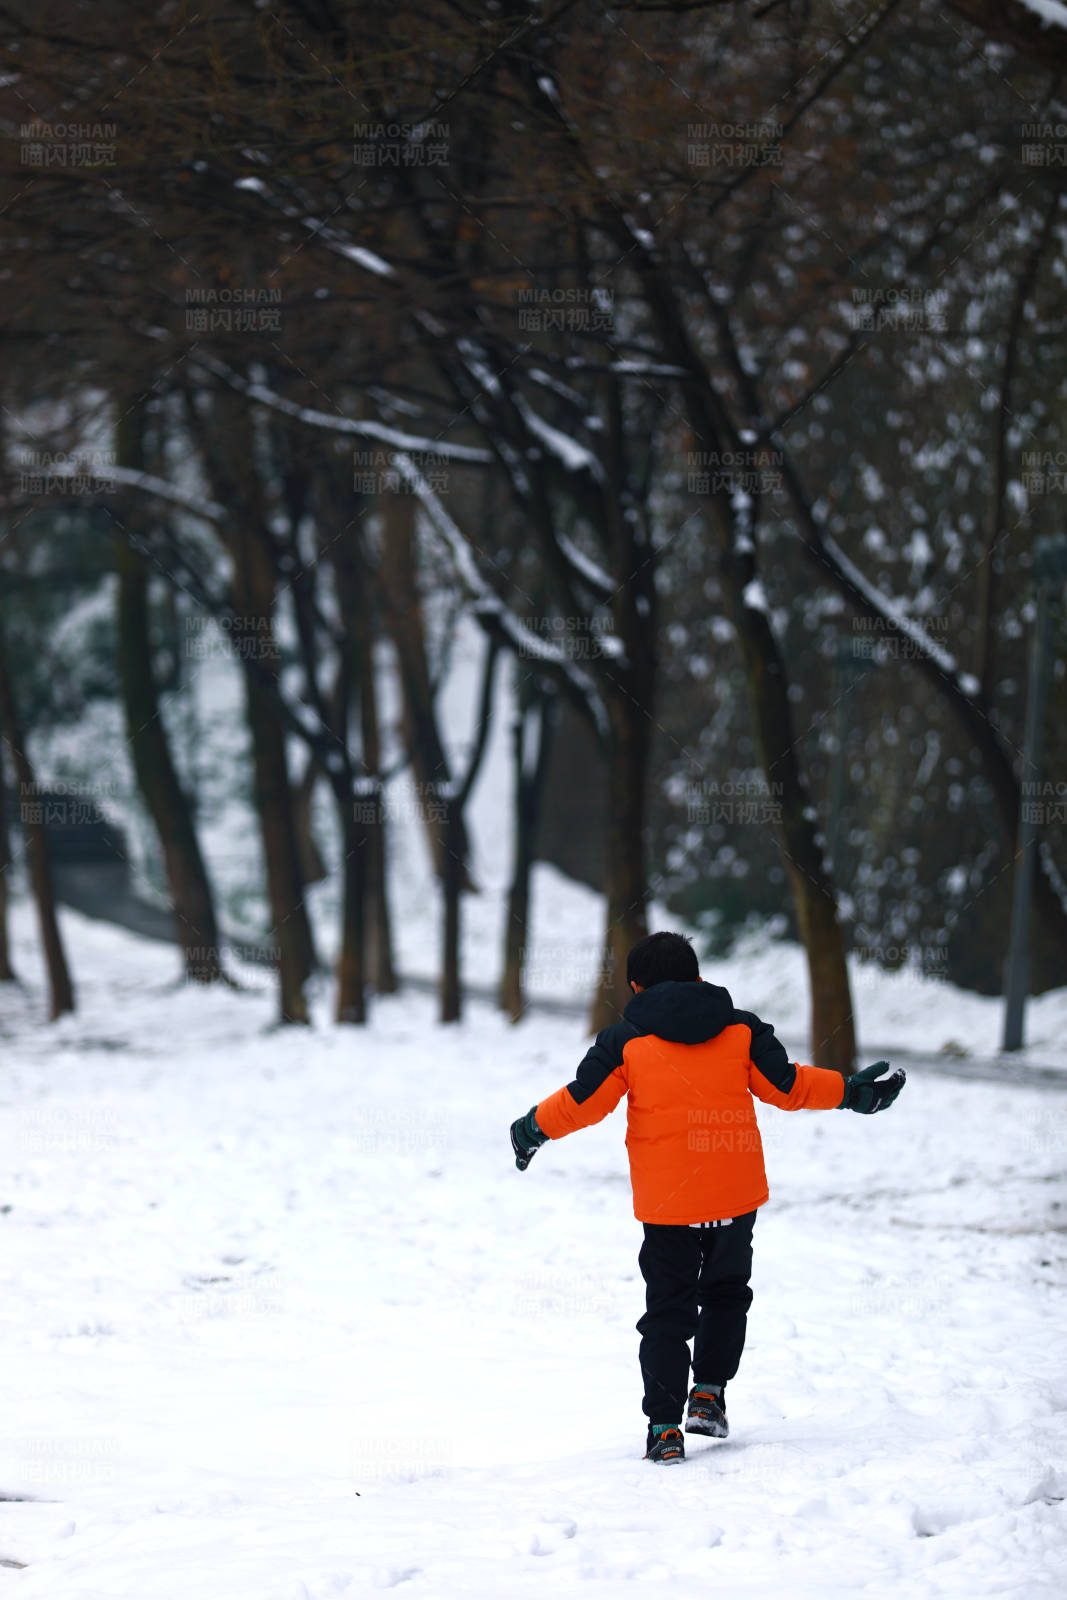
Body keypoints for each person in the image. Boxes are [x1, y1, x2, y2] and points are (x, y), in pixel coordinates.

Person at [509, 930, 906, 1463]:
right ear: (698, 975)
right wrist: (851, 1093)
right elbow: (787, 1087)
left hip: (667, 1209)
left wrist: (533, 1128)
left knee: (668, 1313)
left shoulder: (625, 1041)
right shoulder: (741, 1029)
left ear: (635, 985)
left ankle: (664, 1429)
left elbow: (583, 1103)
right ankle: (709, 1397)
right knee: (724, 1296)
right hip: (733, 1199)